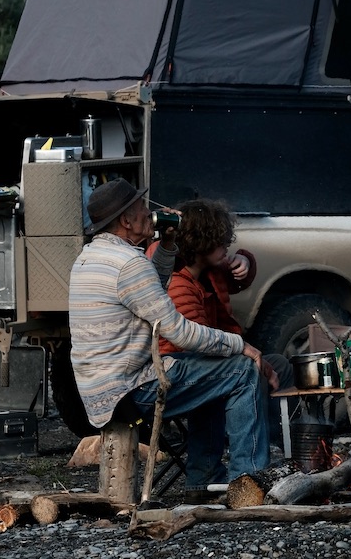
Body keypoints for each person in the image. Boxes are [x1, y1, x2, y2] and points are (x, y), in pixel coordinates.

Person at [68, 179, 274, 496]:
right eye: (141, 208)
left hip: (101, 387)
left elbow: (150, 291)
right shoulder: (129, 264)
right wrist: (240, 345)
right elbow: (177, 330)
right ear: (126, 220)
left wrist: (166, 247)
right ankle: (248, 483)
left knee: (212, 369)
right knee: (242, 370)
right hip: (131, 389)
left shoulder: (91, 257)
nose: (149, 213)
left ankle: (203, 479)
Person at [145, 198, 290, 492]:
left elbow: (239, 277)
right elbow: (194, 344)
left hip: (211, 359)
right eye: (219, 242)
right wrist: (244, 351)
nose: (226, 247)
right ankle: (246, 478)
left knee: (281, 366)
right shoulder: (177, 283)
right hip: (178, 368)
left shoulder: (210, 271)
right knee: (245, 371)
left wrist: (245, 260)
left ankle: (281, 454)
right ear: (199, 245)